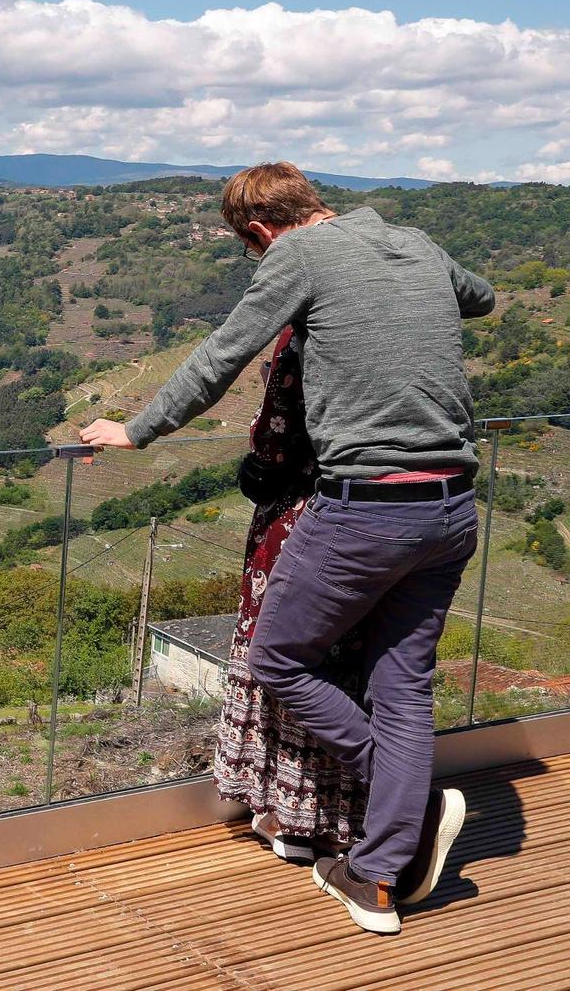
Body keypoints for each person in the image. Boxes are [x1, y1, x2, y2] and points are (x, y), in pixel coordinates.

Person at [81, 161, 494, 935]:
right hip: (453, 506)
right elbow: (483, 298)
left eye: (251, 248)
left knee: (278, 658)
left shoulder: (296, 256)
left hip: (363, 509)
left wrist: (134, 429)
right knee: (403, 686)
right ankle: (373, 878)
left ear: (261, 231)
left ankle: (412, 804)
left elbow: (221, 356)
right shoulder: (414, 241)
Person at [217, 324, 366, 863]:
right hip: (384, 519)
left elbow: (273, 442)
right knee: (350, 663)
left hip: (306, 518)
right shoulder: (399, 327)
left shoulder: (301, 333)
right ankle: (350, 814)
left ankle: (294, 816)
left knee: (282, 657)